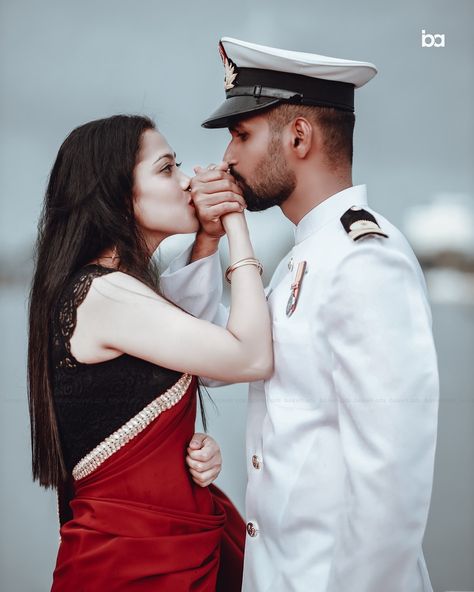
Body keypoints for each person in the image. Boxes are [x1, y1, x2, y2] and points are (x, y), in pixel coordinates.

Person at [160, 38, 440, 591]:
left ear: (299, 136)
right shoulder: (302, 258)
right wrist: (206, 243)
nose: (226, 160)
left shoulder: (366, 258)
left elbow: (391, 483)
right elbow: (210, 359)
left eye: (241, 136)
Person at [27, 114, 273, 591]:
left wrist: (182, 457)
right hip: (130, 565)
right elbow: (250, 356)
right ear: (116, 194)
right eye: (166, 169)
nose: (186, 182)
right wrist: (236, 224)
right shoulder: (106, 295)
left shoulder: (113, 292)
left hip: (152, 550)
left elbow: (203, 367)